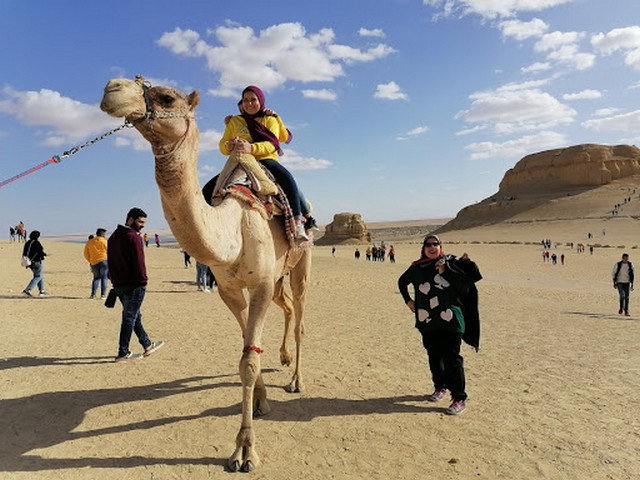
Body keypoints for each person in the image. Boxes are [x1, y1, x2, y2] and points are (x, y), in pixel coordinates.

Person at [205, 86, 310, 241]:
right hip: (239, 161)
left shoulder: (270, 119)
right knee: (208, 189)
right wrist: (229, 145)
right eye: (245, 100)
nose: (249, 103)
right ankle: (209, 232)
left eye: (253, 99)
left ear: (260, 101)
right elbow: (222, 145)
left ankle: (297, 221)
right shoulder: (234, 121)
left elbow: (272, 144)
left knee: (287, 179)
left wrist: (251, 148)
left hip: (265, 160)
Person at [397, 235, 482, 415]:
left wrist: (445, 271)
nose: (432, 247)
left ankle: (459, 398)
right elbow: (402, 282)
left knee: (452, 358)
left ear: (440, 246)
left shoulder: (451, 265)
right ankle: (440, 387)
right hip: (427, 319)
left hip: (451, 320)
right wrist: (408, 300)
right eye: (428, 245)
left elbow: (465, 288)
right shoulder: (417, 267)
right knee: (434, 355)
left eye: (435, 244)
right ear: (423, 248)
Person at [107, 207, 164, 362]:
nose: (142, 225)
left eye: (143, 222)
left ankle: (147, 344)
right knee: (130, 316)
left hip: (119, 285)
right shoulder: (133, 237)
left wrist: (113, 279)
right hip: (134, 284)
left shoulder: (113, 237)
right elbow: (139, 262)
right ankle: (123, 352)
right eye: (140, 221)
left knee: (134, 315)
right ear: (130, 219)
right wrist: (144, 281)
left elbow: (110, 262)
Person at [83, 228, 109, 299]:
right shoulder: (105, 242)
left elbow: (86, 253)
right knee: (104, 278)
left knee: (96, 278)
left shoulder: (90, 242)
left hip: (94, 262)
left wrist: (90, 260)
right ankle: (103, 295)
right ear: (103, 234)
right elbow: (110, 252)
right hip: (104, 260)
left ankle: (93, 294)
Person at [21, 230, 48, 297]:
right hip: (36, 262)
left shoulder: (27, 243)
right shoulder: (36, 243)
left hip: (29, 262)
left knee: (39, 275)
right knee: (38, 276)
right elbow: (40, 252)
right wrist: (44, 254)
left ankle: (42, 291)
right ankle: (27, 290)